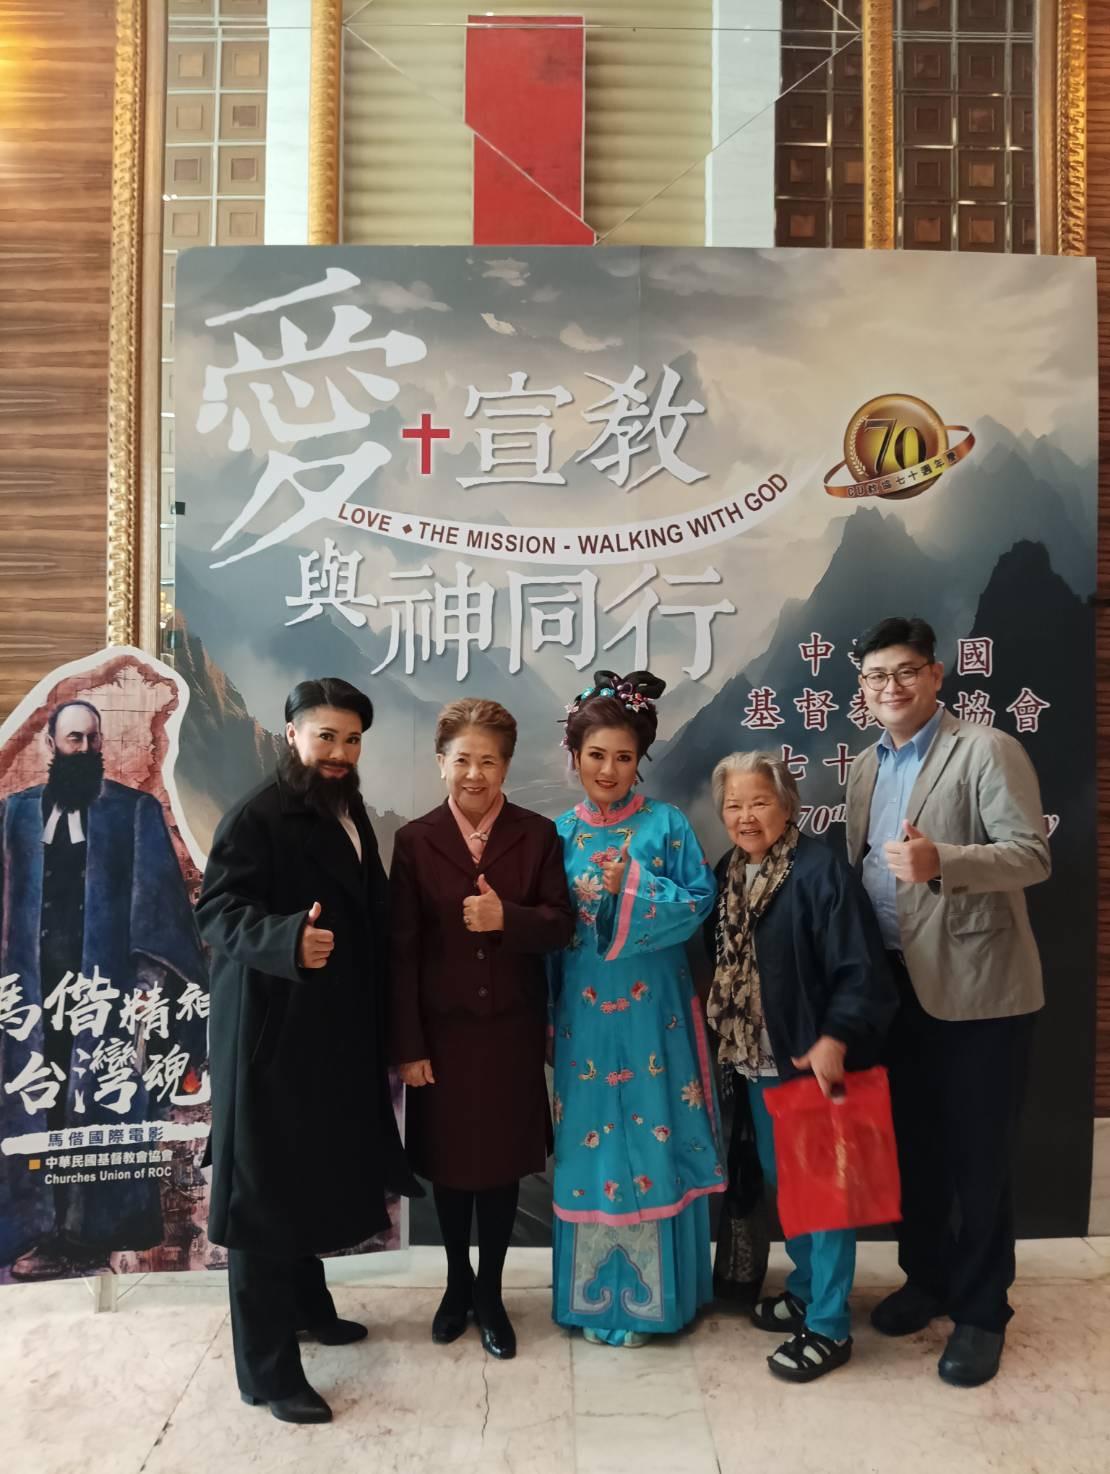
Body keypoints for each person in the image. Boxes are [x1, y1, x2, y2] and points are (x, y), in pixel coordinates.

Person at [197, 677, 421, 1425]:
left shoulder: (346, 808)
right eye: (326, 736)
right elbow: (217, 911)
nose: (339, 753)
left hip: (329, 1031)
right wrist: (288, 939)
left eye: (352, 740)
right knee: (263, 1199)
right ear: (291, 733)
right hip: (269, 1036)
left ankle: (305, 1308)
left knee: (306, 1178)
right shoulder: (258, 814)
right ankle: (266, 1372)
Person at [845, 617, 1050, 1388]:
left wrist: (944, 862)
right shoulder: (863, 767)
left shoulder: (987, 749)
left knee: (978, 1158)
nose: (891, 687)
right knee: (914, 1151)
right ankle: (926, 1278)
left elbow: (1031, 855)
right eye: (876, 676)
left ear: (935, 676)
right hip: (892, 988)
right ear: (862, 689)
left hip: (978, 989)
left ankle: (981, 1311)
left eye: (905, 671)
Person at [390, 698, 574, 1361]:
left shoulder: (539, 834)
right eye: (463, 760)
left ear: (507, 767)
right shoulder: (415, 841)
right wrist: (409, 1046)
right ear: (441, 762)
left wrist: (508, 920)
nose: (475, 774)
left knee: (500, 1170)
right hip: (441, 1038)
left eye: (488, 762)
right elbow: (401, 951)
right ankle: (454, 1285)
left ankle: (490, 1293)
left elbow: (561, 924)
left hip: (510, 1034)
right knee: (448, 1168)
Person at [0, 699, 207, 1281]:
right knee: (34, 1106)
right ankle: (32, 1230)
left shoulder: (133, 811)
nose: (86, 748)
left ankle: (89, 1237)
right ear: (51, 743)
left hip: (105, 996)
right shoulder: (14, 815)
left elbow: (159, 909)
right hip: (31, 995)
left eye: (93, 738)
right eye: (75, 739)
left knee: (99, 1105)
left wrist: (147, 990)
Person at [705, 751, 895, 1382]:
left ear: (788, 806)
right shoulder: (729, 871)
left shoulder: (819, 871)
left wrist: (836, 1037)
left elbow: (860, 968)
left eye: (759, 802)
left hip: (812, 1061)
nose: (745, 816)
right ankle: (810, 1288)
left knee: (826, 1193)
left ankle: (831, 1325)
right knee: (787, 1185)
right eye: (733, 805)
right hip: (757, 1061)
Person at [550, 670, 721, 1348]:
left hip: (656, 1012)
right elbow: (545, 928)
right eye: (596, 755)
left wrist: (636, 885)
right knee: (589, 1136)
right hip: (584, 1016)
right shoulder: (558, 834)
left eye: (624, 757)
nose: (609, 769)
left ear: (639, 760)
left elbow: (699, 902)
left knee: (655, 1130)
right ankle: (593, 1301)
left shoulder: (666, 825)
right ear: (573, 756)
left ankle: (661, 1299)